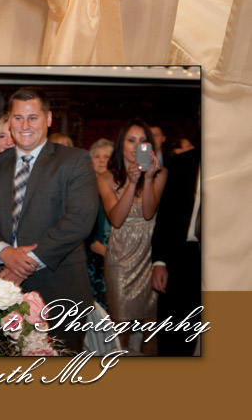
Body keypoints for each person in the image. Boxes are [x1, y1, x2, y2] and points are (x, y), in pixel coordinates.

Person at [0, 89, 96, 350]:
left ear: (48, 119)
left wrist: (24, 263)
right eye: (18, 118)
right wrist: (5, 253)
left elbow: (79, 220)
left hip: (60, 287)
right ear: (9, 120)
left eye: (33, 118)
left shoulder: (74, 160)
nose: (25, 126)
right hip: (1, 289)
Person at [98, 119, 164, 353]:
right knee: (121, 329)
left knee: (151, 328)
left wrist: (146, 179)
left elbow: (148, 213)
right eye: (131, 140)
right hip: (121, 259)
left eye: (143, 141)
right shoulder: (105, 178)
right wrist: (131, 182)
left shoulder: (160, 174)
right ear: (121, 144)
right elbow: (116, 219)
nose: (136, 146)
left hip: (149, 257)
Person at [151, 140, 201, 356]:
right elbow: (166, 216)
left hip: (231, 264)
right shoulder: (183, 162)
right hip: (183, 257)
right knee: (175, 339)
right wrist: (160, 261)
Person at [86, 138, 114, 310]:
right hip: (91, 259)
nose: (102, 160)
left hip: (117, 256)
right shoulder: (83, 188)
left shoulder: (121, 188)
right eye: (97, 156)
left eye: (107, 156)